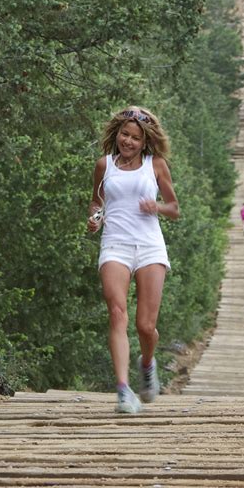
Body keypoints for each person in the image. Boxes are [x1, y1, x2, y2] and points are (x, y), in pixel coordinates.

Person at [87, 106, 179, 415]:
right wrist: (95, 218)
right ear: (116, 134)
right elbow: (97, 201)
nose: (128, 141)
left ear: (145, 141)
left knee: (145, 326)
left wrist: (157, 207)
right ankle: (124, 390)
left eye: (135, 138)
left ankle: (147, 362)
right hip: (115, 245)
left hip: (150, 247)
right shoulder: (104, 166)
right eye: (125, 135)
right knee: (117, 313)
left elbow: (175, 208)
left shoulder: (156, 166)